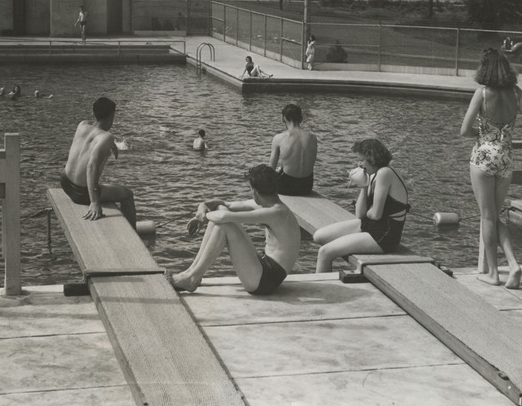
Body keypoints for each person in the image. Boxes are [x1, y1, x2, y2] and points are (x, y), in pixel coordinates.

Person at [460, 48, 522, 289]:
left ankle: (493, 273)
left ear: (484, 69)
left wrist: (483, 136)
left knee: (487, 216)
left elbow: (464, 130)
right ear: (506, 69)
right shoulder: (516, 93)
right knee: (495, 215)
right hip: (506, 157)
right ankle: (513, 264)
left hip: (484, 156)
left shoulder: (482, 93)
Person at [169, 164, 300, 295]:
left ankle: (192, 278)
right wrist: (202, 206)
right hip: (263, 270)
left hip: (265, 281)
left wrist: (204, 217)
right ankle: (190, 273)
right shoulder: (271, 204)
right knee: (220, 217)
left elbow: (225, 217)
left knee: (225, 224)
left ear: (254, 191)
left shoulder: (277, 212)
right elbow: (225, 205)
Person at [313, 139, 410, 272]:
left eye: (362, 160)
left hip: (384, 235)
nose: (359, 164)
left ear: (372, 159)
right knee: (319, 236)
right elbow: (360, 214)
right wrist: (363, 187)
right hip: (370, 226)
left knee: (324, 252)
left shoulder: (385, 173)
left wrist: (370, 211)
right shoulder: (373, 175)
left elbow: (375, 215)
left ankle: (322, 291)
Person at [61, 96, 136, 227]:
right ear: (112, 116)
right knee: (128, 195)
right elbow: (91, 167)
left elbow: (91, 141)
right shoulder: (106, 137)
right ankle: (134, 236)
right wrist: (94, 202)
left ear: (94, 113)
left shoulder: (82, 125)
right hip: (81, 193)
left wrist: (111, 145)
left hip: (65, 182)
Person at [269, 103, 317, 195]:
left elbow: (270, 169)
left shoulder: (279, 138)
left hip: (286, 188)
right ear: (301, 119)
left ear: (284, 118)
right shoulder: (313, 137)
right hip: (306, 187)